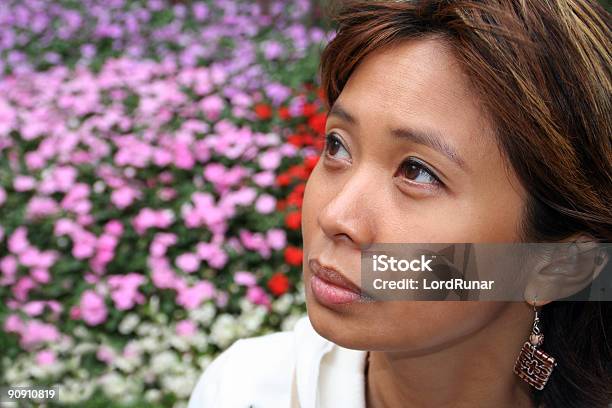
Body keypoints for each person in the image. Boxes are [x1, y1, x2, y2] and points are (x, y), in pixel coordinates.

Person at [188, 1, 612, 407]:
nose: (335, 215)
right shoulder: (244, 391)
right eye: (338, 145)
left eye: (418, 172)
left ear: (560, 267)